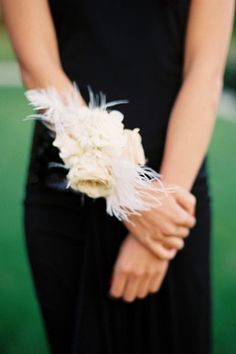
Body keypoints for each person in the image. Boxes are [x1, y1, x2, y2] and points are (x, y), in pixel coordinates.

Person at [2, 0, 235, 353]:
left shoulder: (166, 205)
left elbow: (206, 69)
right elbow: (38, 66)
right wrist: (128, 195)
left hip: (175, 189)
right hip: (67, 192)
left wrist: (156, 211)